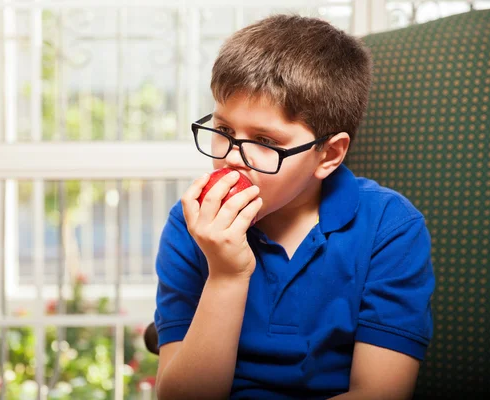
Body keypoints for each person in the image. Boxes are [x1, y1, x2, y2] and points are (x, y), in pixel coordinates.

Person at [153, 14, 435, 400]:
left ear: (329, 154)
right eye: (222, 131)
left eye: (265, 140)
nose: (233, 157)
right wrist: (226, 275)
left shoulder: (390, 228)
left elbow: (380, 392)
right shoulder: (190, 225)